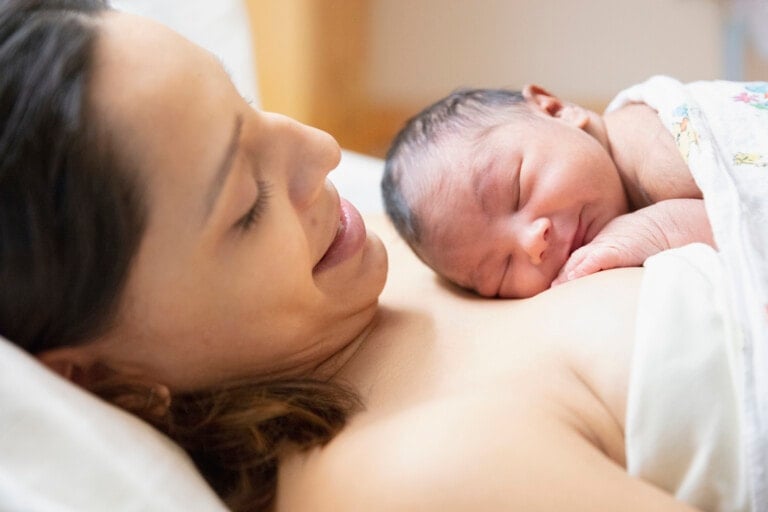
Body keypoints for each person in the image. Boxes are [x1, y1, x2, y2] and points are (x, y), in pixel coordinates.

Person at [0, 2, 750, 511]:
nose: (323, 152)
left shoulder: (359, 251)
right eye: (248, 206)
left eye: (244, 106)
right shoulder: (410, 476)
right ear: (104, 377)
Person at [381, 85, 718, 298]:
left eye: (516, 191)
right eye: (501, 270)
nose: (532, 244)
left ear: (556, 110)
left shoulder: (661, 147)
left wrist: (662, 228)